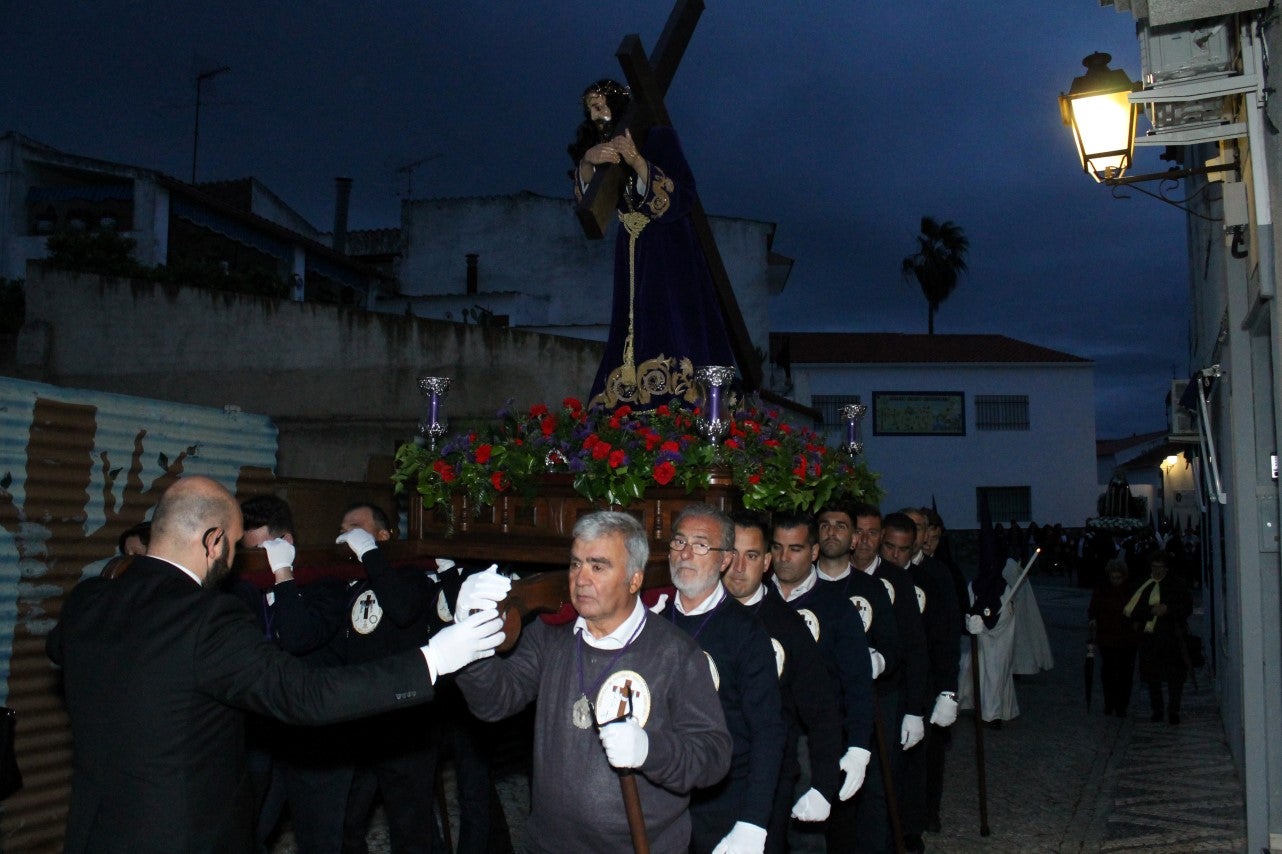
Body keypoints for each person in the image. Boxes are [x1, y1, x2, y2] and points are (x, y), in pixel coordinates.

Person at [46, 475, 505, 854]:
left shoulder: (88, 601)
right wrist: (434, 659)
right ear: (213, 541)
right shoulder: (207, 618)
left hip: (93, 833)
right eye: (233, 547)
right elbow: (306, 695)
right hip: (184, 836)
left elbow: (59, 649)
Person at [457, 511, 732, 853]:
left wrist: (651, 750)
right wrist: (470, 636)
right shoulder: (551, 636)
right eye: (576, 564)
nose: (581, 579)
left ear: (634, 579)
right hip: (549, 845)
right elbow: (493, 702)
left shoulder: (675, 653)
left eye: (598, 566)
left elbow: (712, 755)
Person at [569, 79, 735, 409]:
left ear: (617, 105)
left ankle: (679, 397)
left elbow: (683, 192)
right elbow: (592, 202)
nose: (596, 116)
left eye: (600, 106)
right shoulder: (602, 151)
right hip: (631, 247)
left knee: (668, 314)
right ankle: (628, 398)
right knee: (630, 320)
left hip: (668, 245)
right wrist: (587, 162)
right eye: (590, 110)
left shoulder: (659, 137)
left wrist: (638, 161)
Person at [659, 505, 784, 854]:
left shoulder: (746, 632)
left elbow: (768, 731)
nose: (685, 554)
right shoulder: (652, 623)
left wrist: (753, 820)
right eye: (679, 542)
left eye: (700, 545)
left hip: (725, 799)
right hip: (662, 798)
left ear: (725, 559)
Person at [234, 494, 352, 854]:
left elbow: (299, 637)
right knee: (248, 833)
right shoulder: (249, 588)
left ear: (285, 543)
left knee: (320, 840)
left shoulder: (325, 584)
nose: (256, 561)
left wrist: (283, 575)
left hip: (318, 740)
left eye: (261, 551)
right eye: (248, 552)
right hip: (268, 736)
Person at [726, 512, 842, 854]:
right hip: (710, 776)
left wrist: (823, 785)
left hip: (770, 776)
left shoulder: (787, 626)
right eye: (732, 554)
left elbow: (822, 711)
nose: (738, 567)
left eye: (751, 556)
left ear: (766, 562)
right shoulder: (700, 615)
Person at [335, 502, 444, 854]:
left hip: (403, 722)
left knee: (410, 825)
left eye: (356, 528)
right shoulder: (345, 581)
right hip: (357, 719)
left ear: (382, 536)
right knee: (344, 822)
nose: (346, 535)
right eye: (342, 530)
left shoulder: (411, 575)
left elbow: (400, 609)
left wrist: (370, 554)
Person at [768, 512, 875, 853]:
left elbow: (857, 682)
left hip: (811, 737)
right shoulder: (758, 598)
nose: (784, 558)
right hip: (764, 732)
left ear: (814, 551)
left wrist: (858, 746)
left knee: (807, 836)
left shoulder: (835, 607)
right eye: (778, 547)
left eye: (795, 548)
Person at [902, 508, 962, 836]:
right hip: (899, 679)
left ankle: (929, 809)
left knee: (931, 752)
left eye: (919, 527)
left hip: (931, 679)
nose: (913, 532)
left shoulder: (938, 573)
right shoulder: (887, 569)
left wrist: (948, 688)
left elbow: (948, 633)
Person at [1124, 552, 1193, 724]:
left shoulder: (1177, 585)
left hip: (1172, 637)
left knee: (1175, 678)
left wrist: (1167, 610)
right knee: (1152, 677)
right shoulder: (1143, 584)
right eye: (1154, 567)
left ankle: (1174, 710)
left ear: (1166, 568)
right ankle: (1157, 709)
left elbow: (1186, 607)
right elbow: (1132, 609)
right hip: (1150, 638)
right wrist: (1150, 611)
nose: (1157, 571)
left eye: (1160, 567)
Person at [1089, 558, 1139, 717]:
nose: (1116, 581)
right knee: (1108, 671)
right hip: (1107, 635)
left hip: (1126, 637)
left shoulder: (1130, 590)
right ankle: (1109, 702)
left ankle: (1122, 704)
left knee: (1125, 673)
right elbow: (1094, 607)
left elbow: (1137, 610)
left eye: (1118, 578)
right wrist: (1093, 619)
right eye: (1113, 578)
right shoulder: (1102, 589)